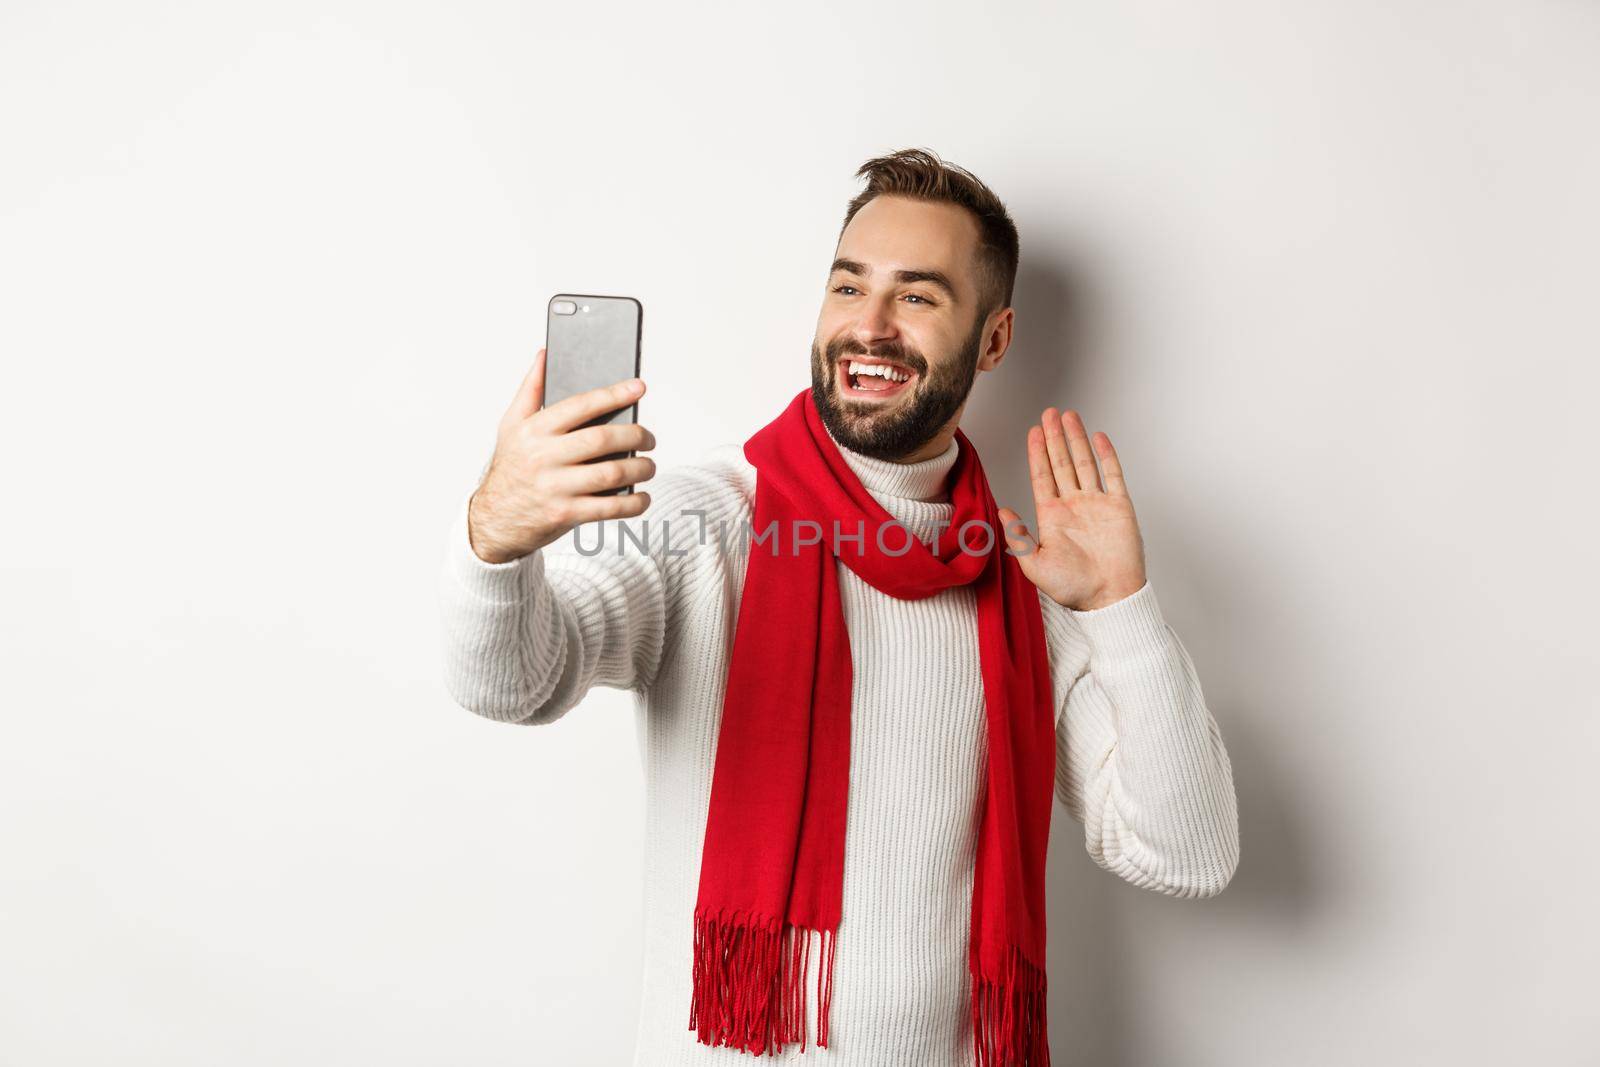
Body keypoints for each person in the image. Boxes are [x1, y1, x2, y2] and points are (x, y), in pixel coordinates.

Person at [438, 148, 1239, 1067]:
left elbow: (1187, 853)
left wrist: (1121, 610)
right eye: (849, 286)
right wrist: (495, 538)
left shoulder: (1029, 584)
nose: (871, 326)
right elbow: (514, 684)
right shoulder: (711, 523)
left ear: (994, 340)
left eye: (920, 296)